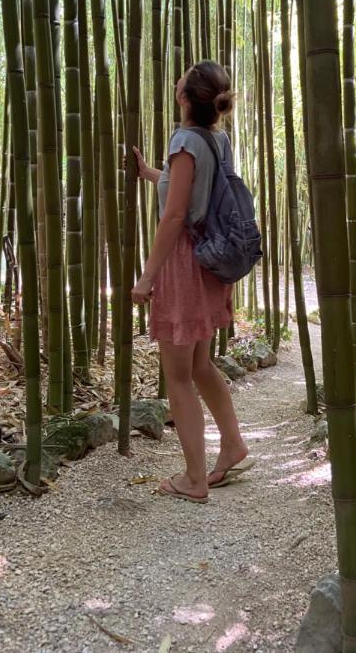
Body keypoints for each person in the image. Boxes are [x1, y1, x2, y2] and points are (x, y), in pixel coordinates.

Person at [131, 61, 254, 504]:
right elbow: (192, 190)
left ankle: (195, 478)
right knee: (201, 366)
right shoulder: (216, 138)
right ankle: (233, 443)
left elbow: (177, 214)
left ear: (185, 96)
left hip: (184, 262)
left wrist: (147, 276)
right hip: (212, 260)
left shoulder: (185, 141)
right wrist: (149, 173)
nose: (176, 78)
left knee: (179, 376)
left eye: (181, 76)